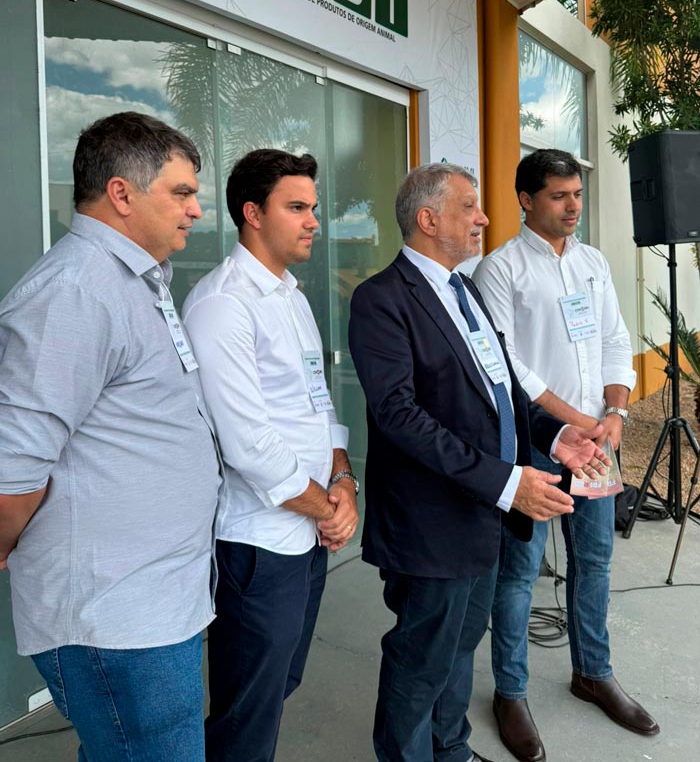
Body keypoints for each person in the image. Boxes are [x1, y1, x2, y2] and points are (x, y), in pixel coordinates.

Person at [348, 163, 608, 762]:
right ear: (428, 219)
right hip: (430, 524)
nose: (484, 219)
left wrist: (556, 434)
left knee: (461, 646)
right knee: (421, 660)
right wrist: (506, 483)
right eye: (469, 207)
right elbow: (399, 416)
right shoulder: (382, 299)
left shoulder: (463, 291)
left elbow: (502, 391)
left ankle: (452, 749)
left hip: (480, 516)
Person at [0, 111, 221, 761]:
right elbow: (11, 474)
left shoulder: (134, 281)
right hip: (116, 617)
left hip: (152, 602)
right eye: (181, 193)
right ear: (122, 193)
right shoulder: (75, 291)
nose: (196, 210)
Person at [473, 149, 658, 762]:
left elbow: (614, 339)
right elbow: (506, 366)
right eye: (559, 195)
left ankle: (593, 673)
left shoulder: (593, 262)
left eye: (576, 193)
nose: (573, 205)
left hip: (597, 441)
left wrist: (615, 413)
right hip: (536, 442)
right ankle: (511, 692)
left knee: (595, 559)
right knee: (520, 572)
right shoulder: (500, 270)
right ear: (527, 200)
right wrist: (573, 422)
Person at [183, 149, 358, 762]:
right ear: (252, 213)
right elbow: (247, 445)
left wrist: (344, 481)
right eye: (298, 207)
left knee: (278, 686)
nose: (314, 221)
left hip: (306, 534)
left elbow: (319, 405)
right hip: (258, 545)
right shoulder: (221, 304)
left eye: (314, 208)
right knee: (245, 712)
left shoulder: (291, 296)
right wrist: (327, 509)